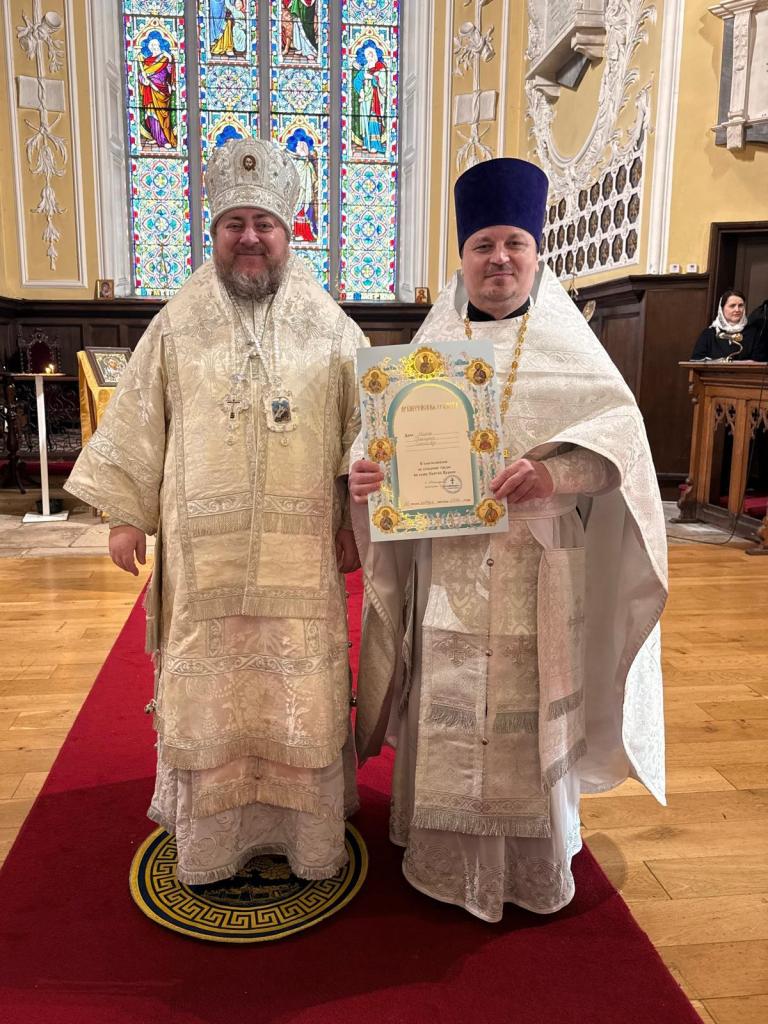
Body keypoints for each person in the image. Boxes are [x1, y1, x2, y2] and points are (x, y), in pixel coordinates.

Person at [348, 157, 668, 922]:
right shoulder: (431, 346)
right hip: (448, 569)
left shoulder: (572, 350)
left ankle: (527, 867)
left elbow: (621, 452)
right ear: (462, 258)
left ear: (536, 252)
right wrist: (365, 476)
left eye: (513, 244)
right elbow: (377, 446)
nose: (499, 259)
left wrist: (555, 473)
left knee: (527, 711)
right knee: (449, 700)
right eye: (483, 245)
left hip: (537, 572)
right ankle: (444, 856)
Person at [65, 136, 366, 886]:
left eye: (264, 224)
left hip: (301, 554)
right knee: (211, 698)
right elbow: (140, 417)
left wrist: (351, 520)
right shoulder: (177, 321)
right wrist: (126, 514)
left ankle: (305, 838)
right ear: (215, 231)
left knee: (297, 692)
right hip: (206, 563)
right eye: (236, 223)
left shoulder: (331, 325)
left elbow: (364, 428)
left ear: (288, 231)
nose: (250, 238)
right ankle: (213, 844)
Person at [691, 289, 768, 361]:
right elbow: (696, 360)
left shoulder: (754, 333)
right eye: (732, 306)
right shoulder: (709, 334)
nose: (737, 310)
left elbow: (760, 361)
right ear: (722, 309)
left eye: (740, 305)